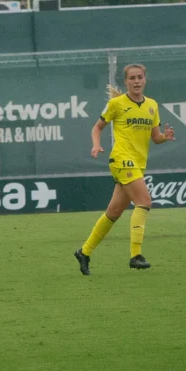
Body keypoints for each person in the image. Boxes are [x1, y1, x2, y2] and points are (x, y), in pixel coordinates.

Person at [74, 63, 175, 275]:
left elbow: (155, 137)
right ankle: (135, 255)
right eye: (132, 78)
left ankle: (84, 252)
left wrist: (165, 137)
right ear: (126, 81)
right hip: (121, 159)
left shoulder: (152, 105)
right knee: (144, 202)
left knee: (113, 212)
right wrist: (96, 144)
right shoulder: (116, 104)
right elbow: (97, 128)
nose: (136, 81)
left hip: (138, 163)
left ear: (145, 79)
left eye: (140, 77)